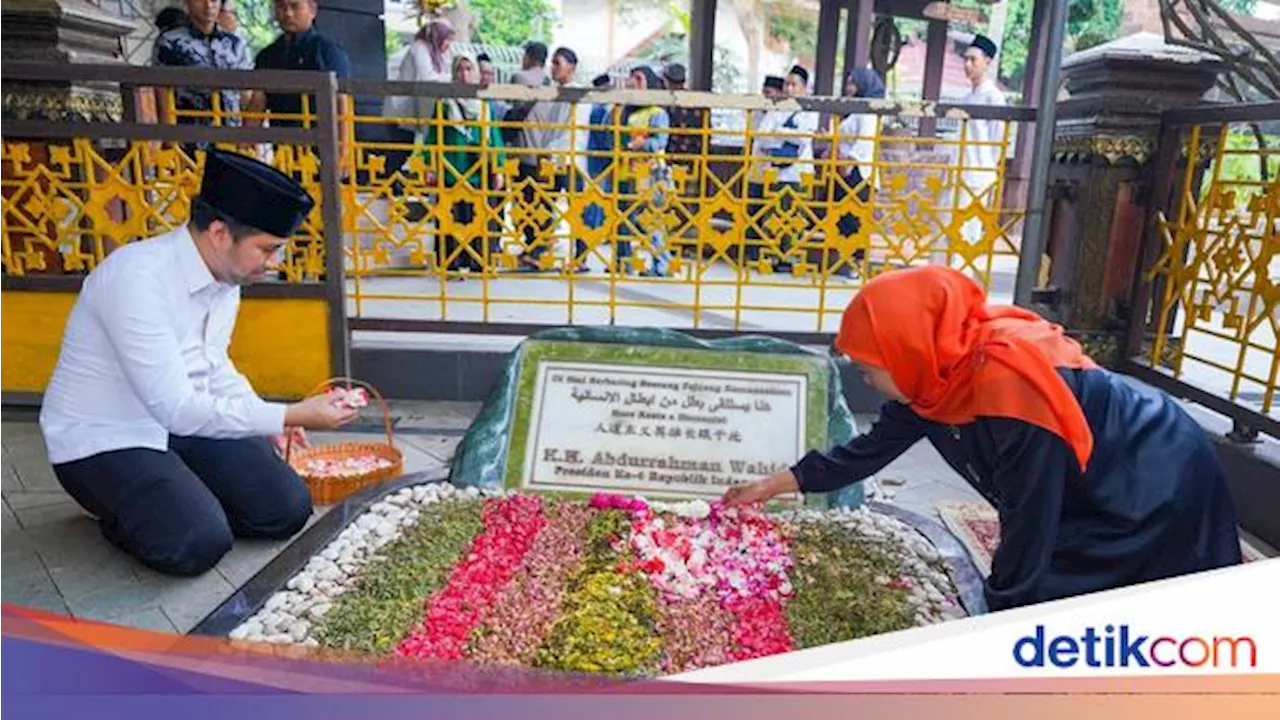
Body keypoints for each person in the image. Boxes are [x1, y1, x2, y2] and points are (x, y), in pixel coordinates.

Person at [723, 266, 1244, 612]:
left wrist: (995, 618)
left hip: (1152, 476)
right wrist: (776, 484)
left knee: (1089, 590)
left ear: (906, 350)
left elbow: (1030, 511)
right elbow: (869, 448)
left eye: (868, 366)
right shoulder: (939, 374)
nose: (864, 379)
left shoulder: (1009, 387)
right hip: (1106, 474)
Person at [39, 149, 360, 577]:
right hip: (105, 439)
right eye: (267, 250)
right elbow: (177, 407)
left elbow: (212, 364)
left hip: (181, 426)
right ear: (219, 232)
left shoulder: (226, 277)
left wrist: (268, 421)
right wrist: (293, 412)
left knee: (286, 507)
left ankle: (181, 493)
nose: (275, 263)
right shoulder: (136, 278)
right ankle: (131, 512)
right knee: (196, 543)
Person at [957, 34, 1008, 250]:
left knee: (970, 229)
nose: (967, 65)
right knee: (954, 226)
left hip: (979, 171)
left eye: (973, 60)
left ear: (987, 62)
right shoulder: (967, 98)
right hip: (961, 168)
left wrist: (987, 167)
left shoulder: (994, 97)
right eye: (965, 60)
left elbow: (997, 138)